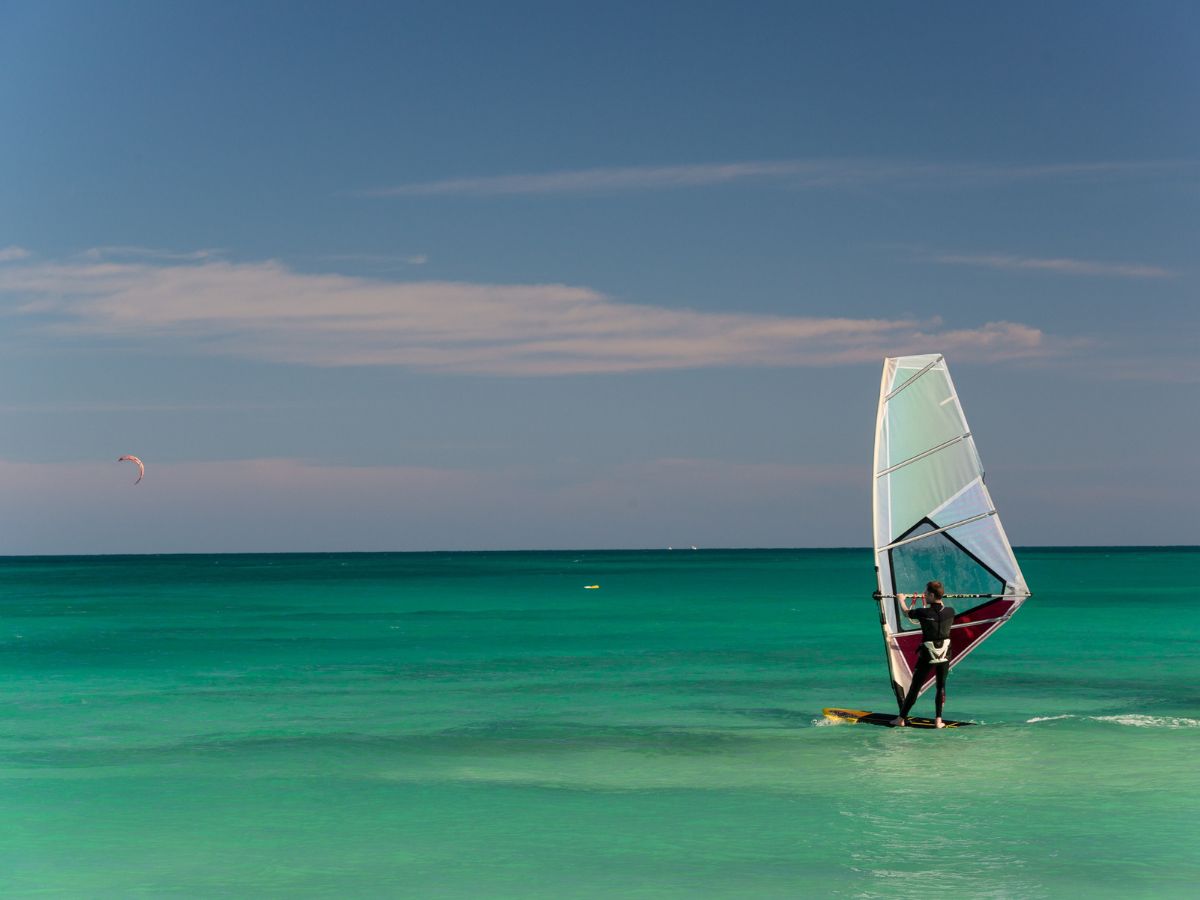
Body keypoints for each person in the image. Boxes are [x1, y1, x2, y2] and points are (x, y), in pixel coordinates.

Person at [889, 581, 955, 728]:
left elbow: (906, 613)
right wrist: (938, 597)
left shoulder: (923, 613)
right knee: (941, 686)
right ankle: (938, 720)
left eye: (926, 593)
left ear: (932, 595)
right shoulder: (950, 611)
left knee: (915, 688)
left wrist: (901, 599)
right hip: (944, 655)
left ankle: (901, 719)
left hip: (928, 655)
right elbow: (940, 609)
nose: (924, 595)